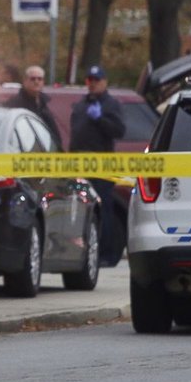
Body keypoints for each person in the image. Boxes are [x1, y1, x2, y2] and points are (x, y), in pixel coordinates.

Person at [69, 65, 126, 267]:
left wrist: (101, 119)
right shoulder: (81, 105)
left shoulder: (111, 104)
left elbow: (119, 131)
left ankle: (106, 254)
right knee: (81, 211)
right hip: (80, 166)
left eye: (96, 80)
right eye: (89, 80)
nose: (92, 84)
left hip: (101, 167)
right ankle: (84, 252)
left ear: (104, 82)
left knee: (104, 210)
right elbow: (75, 134)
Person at [3, 65, 61, 142]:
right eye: (33, 79)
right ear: (25, 81)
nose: (36, 82)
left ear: (43, 82)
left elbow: (54, 132)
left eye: (40, 79)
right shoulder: (14, 104)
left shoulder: (44, 103)